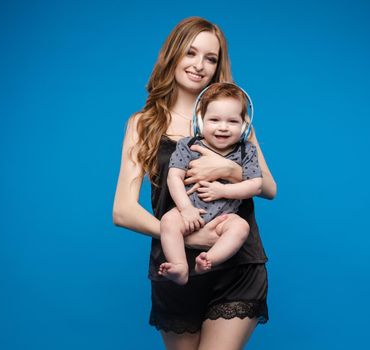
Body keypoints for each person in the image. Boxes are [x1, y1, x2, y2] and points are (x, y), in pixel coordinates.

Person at [113, 16, 276, 350]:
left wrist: (229, 171)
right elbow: (123, 210)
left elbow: (269, 188)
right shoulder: (143, 124)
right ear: (173, 55)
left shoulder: (233, 119)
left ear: (218, 67)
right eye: (191, 53)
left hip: (237, 263)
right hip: (176, 264)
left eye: (211, 58)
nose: (199, 65)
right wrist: (181, 232)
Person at [159, 82, 263, 286]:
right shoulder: (188, 146)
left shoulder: (246, 151)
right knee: (168, 221)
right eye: (214, 120)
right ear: (200, 120)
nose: (223, 127)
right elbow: (174, 178)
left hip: (224, 217)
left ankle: (209, 259)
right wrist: (186, 208)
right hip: (189, 212)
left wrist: (223, 189)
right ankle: (180, 266)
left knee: (240, 227)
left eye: (232, 121)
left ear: (244, 126)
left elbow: (256, 185)